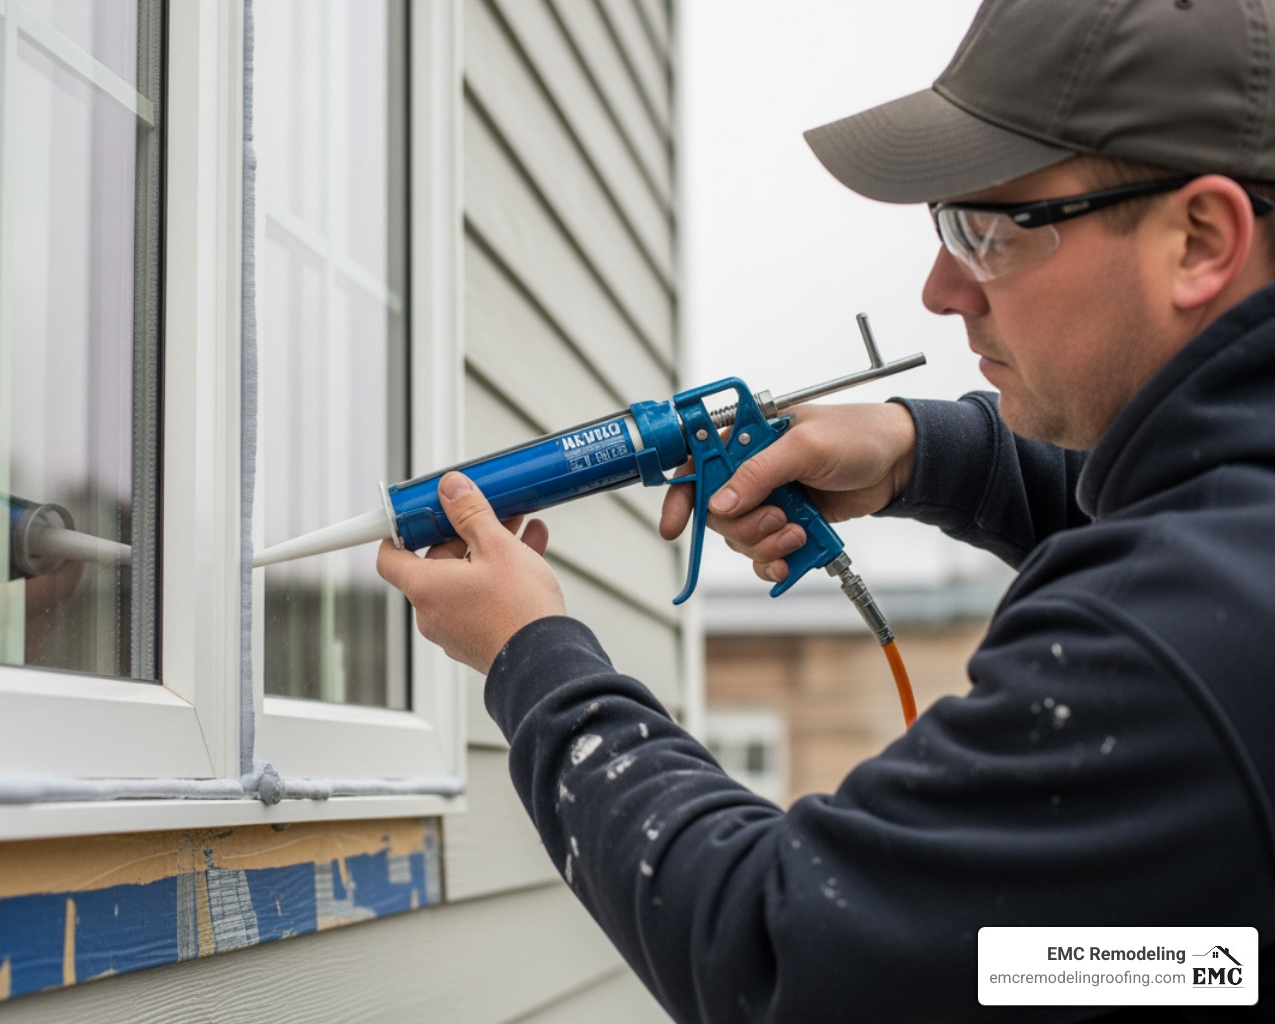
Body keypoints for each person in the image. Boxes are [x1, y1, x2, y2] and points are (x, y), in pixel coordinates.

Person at [377, 0, 1275, 1020]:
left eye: (986, 229)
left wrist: (531, 653)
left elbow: (778, 952)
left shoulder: (1166, 639)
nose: (942, 290)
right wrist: (922, 450)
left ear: (1200, 238)